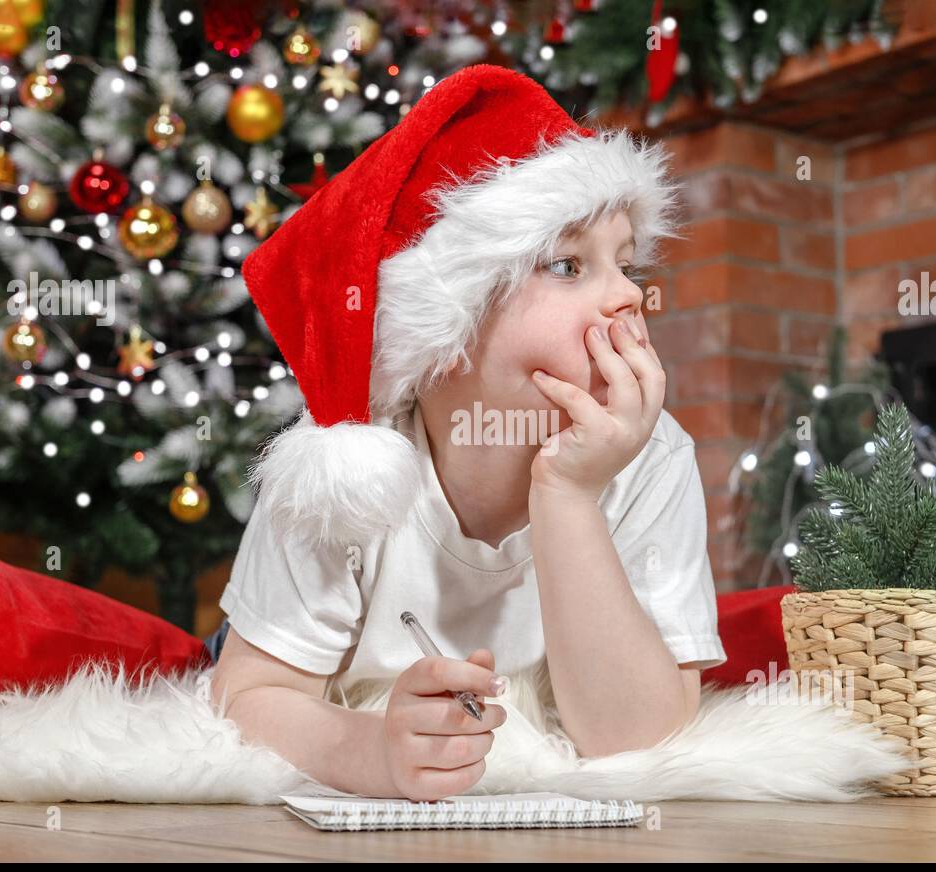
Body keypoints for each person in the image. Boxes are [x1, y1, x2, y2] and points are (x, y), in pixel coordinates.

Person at [209, 64, 724, 802]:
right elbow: (249, 694)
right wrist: (371, 752)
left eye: (626, 263)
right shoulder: (345, 467)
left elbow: (638, 740)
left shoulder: (654, 452)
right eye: (568, 265)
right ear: (445, 328)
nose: (627, 295)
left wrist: (569, 494)